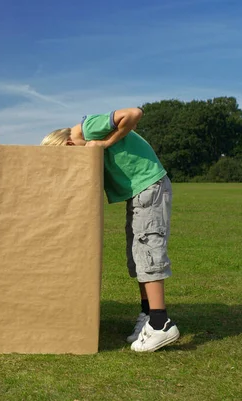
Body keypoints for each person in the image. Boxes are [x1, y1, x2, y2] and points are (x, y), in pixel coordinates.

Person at [40, 107, 179, 352]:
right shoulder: (83, 140)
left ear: (70, 146)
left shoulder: (88, 127)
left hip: (149, 186)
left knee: (148, 251)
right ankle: (148, 315)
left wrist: (105, 143)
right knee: (137, 256)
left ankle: (161, 323)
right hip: (138, 193)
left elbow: (134, 113)